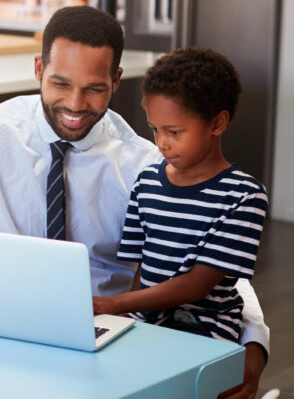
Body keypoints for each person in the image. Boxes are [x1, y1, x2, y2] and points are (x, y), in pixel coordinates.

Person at [0, 5, 269, 399]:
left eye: (94, 89)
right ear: (39, 68)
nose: (75, 104)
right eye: (61, 83)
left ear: (116, 80)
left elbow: (214, 272)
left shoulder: (145, 164)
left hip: (107, 333)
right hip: (3, 323)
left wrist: (254, 345)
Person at [93, 47, 268, 344]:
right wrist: (125, 316)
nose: (161, 143)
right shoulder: (146, 181)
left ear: (217, 123)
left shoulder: (244, 195)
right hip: (145, 318)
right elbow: (141, 269)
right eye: (155, 129)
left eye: (175, 132)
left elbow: (197, 285)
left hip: (206, 328)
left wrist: (114, 304)